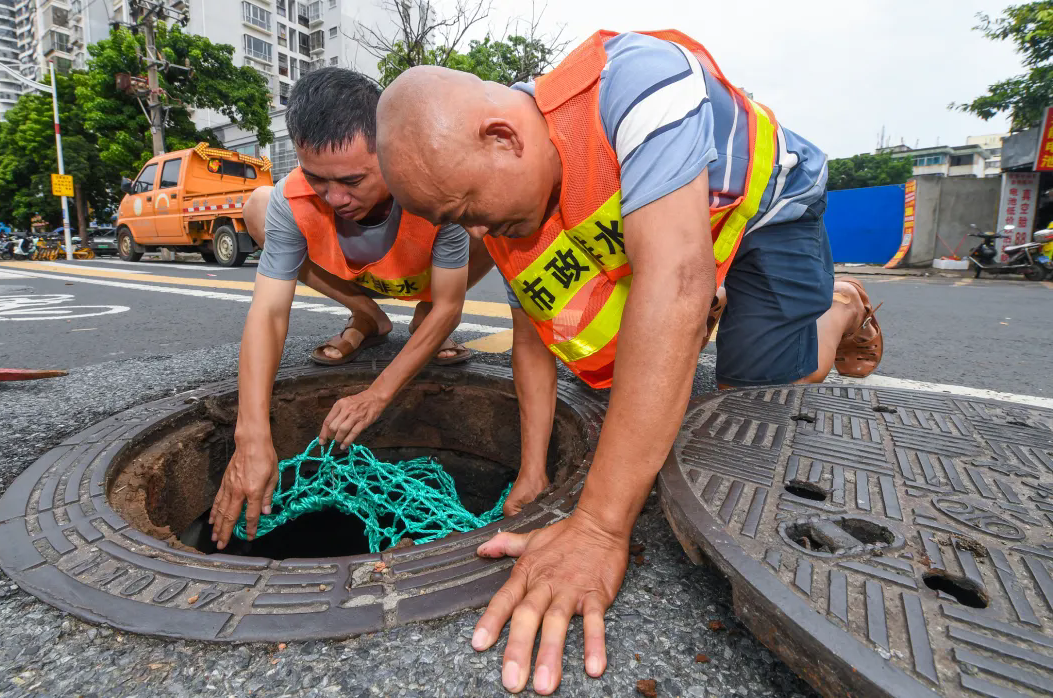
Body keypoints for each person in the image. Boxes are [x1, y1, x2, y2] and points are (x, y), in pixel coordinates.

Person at [375, 30, 883, 695]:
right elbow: (532, 335)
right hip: (668, 245)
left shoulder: (638, 83)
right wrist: (531, 473)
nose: (473, 232)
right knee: (636, 360)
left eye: (468, 208)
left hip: (767, 214)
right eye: (455, 220)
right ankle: (723, 307)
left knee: (754, 402)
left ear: (503, 137)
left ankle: (839, 307)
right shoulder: (507, 210)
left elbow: (672, 285)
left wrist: (597, 525)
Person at [208, 68, 494, 549]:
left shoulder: (429, 186)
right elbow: (270, 312)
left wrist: (376, 394)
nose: (335, 198)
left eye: (352, 181)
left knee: (480, 229)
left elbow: (452, 306)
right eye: (318, 179)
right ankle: (368, 317)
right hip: (353, 278)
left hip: (426, 279)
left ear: (388, 150)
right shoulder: (296, 199)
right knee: (262, 203)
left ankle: (418, 323)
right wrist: (250, 435)